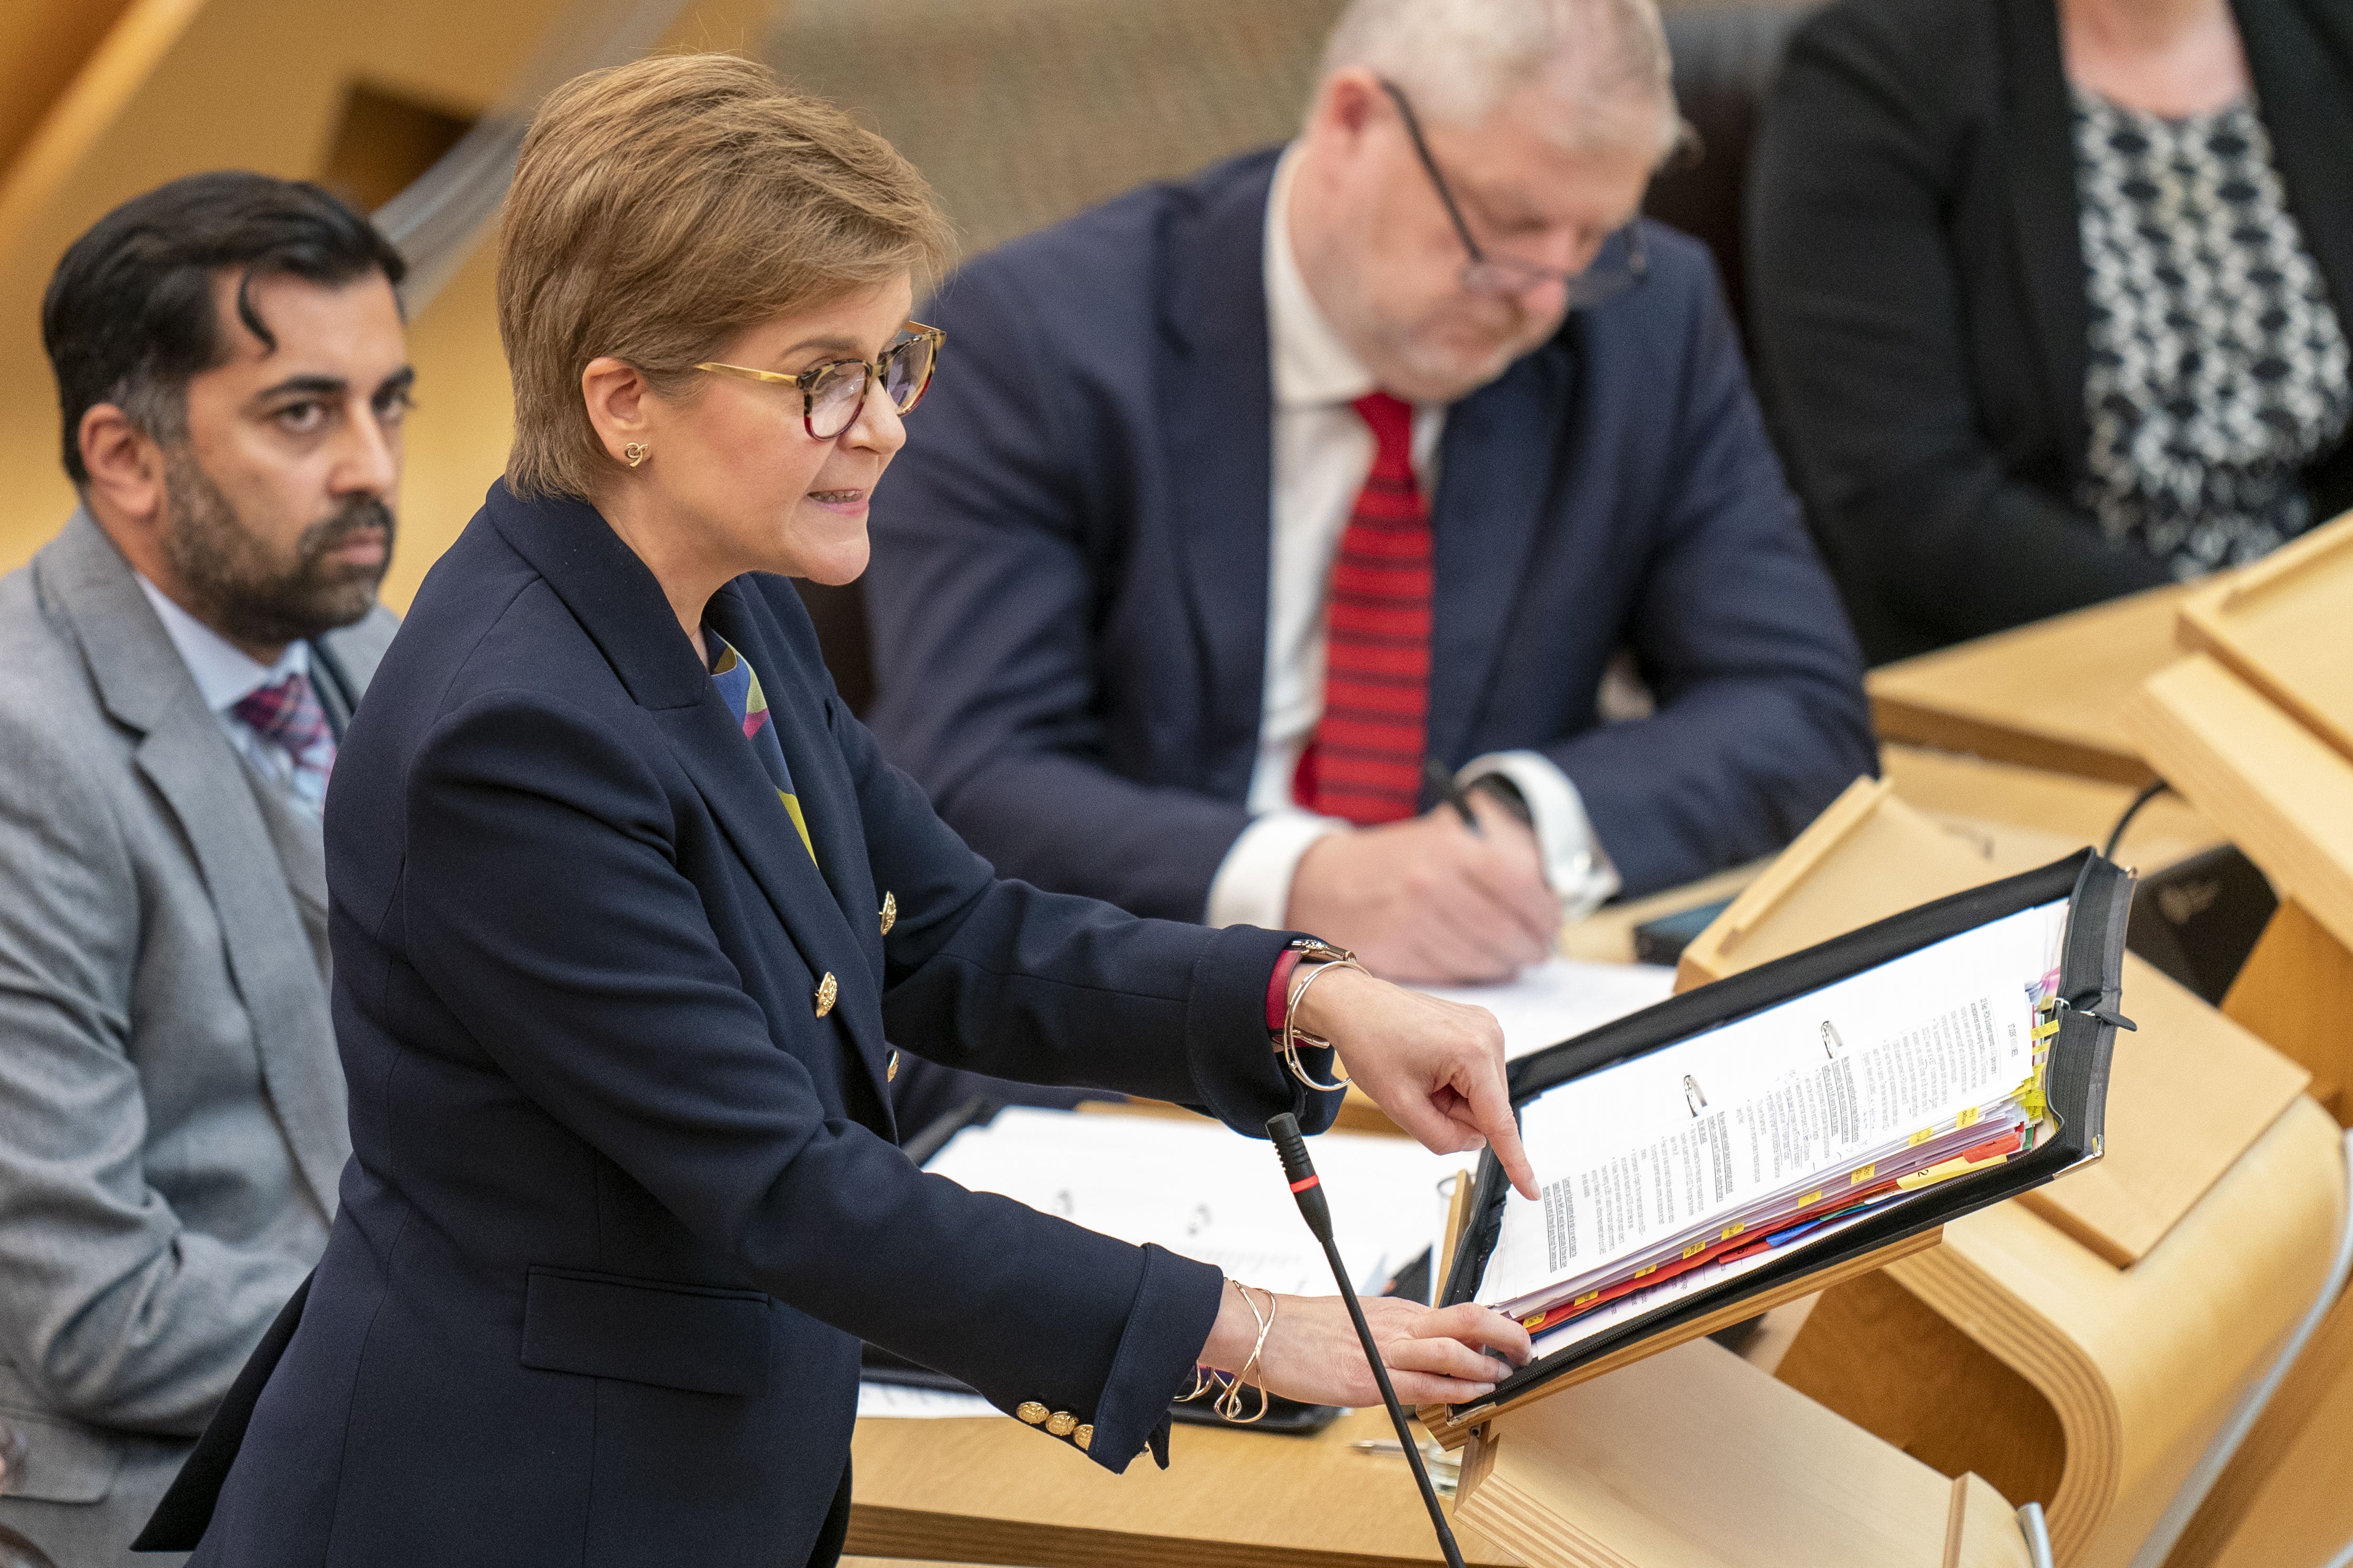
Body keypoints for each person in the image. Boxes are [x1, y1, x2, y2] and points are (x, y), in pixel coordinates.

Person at [155, 55, 1539, 1568]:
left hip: (700, 1461)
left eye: (895, 361)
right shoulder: (510, 735)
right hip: (520, 1496)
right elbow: (784, 1181)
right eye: (823, 375)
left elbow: (948, 931)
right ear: (622, 399)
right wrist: (1251, 1327)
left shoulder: (727, 593)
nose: (882, 423)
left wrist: (1311, 996)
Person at [859, 0, 1876, 987]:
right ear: (1352, 120)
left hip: (1490, 1001)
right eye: (1510, 225)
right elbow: (964, 774)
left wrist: (1526, 825)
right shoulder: (1041, 342)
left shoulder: (1645, 323)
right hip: (1142, 1002)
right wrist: (1308, 880)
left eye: (1596, 238)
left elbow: (1801, 705)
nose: (1547, 296)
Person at [0, 174, 409, 1566]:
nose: (372, 465)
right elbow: (95, 1309)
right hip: (160, 1499)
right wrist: (503, 1324)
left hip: (406, 1430)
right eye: (304, 412)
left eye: (387, 401)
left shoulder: (380, 650)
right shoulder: (20, 750)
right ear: (124, 454)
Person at [1746, 0, 2353, 664]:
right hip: (2027, 657)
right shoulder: (1872, 71)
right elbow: (1905, 498)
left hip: (2312, 635)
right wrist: (2229, 641)